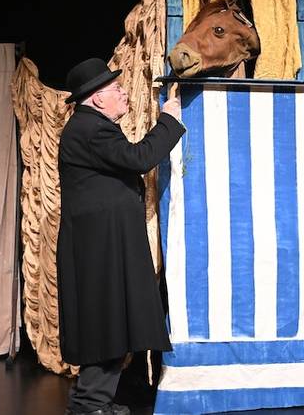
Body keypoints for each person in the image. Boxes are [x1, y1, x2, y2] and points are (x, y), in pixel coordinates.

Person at [56, 58, 184, 415]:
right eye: (116, 89)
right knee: (106, 320)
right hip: (100, 247)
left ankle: (92, 401)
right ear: (97, 99)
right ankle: (90, 404)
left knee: (111, 319)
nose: (124, 93)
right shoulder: (91, 129)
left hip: (104, 243)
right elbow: (139, 157)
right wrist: (169, 120)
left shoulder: (89, 126)